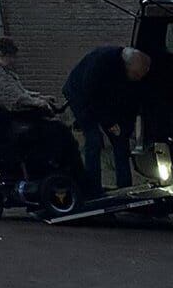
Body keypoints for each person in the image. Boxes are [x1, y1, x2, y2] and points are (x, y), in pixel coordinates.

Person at [0, 38, 82, 181]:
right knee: (60, 131)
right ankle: (74, 174)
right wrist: (40, 103)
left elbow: (19, 93)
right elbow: (15, 101)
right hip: (12, 124)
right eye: (11, 56)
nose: (13, 61)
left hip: (7, 121)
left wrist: (40, 97)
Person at [63, 44, 151, 197]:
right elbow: (93, 95)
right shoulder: (102, 63)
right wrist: (109, 123)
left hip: (106, 100)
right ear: (126, 65)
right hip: (82, 96)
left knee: (121, 141)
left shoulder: (133, 77)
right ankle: (92, 188)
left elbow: (131, 105)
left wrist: (125, 129)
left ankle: (125, 186)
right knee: (94, 139)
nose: (138, 79)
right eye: (136, 75)